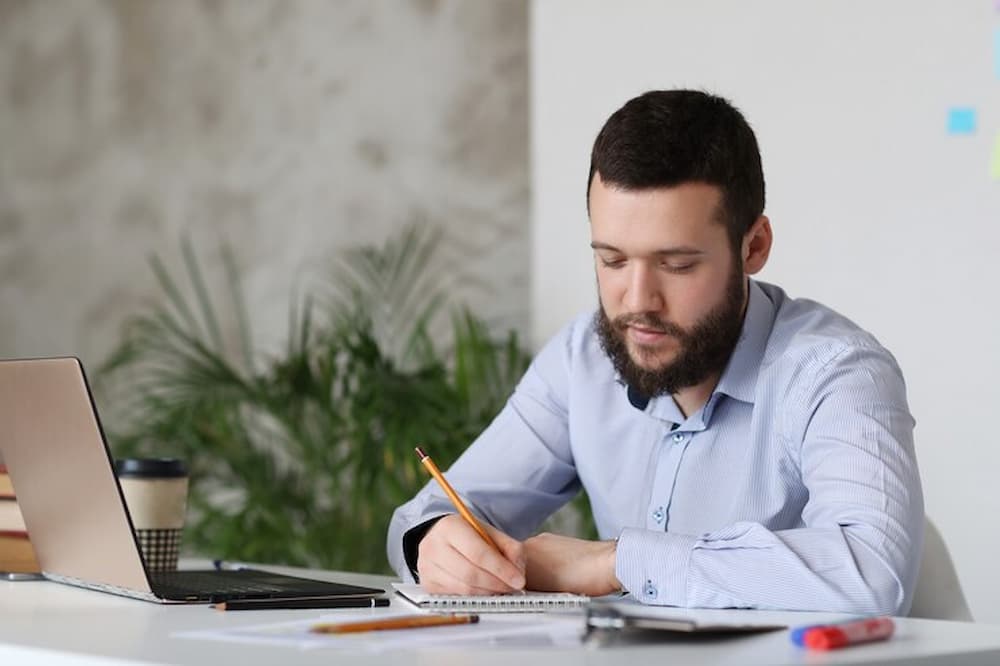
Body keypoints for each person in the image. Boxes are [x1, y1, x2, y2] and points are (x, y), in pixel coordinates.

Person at [387, 89, 923, 615]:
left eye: (677, 264)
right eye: (613, 261)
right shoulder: (582, 357)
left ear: (753, 246)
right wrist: (434, 544)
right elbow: (432, 513)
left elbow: (873, 572)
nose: (638, 303)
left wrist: (619, 564)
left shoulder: (837, 372)